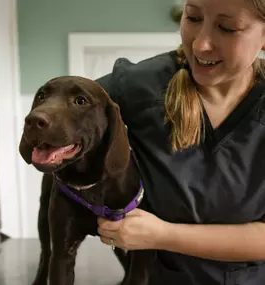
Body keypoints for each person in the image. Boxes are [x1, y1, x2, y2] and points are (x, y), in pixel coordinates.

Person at [95, 0, 265, 284]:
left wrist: (162, 235)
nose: (200, 45)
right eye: (193, 17)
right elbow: (58, 116)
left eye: (226, 27)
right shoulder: (137, 87)